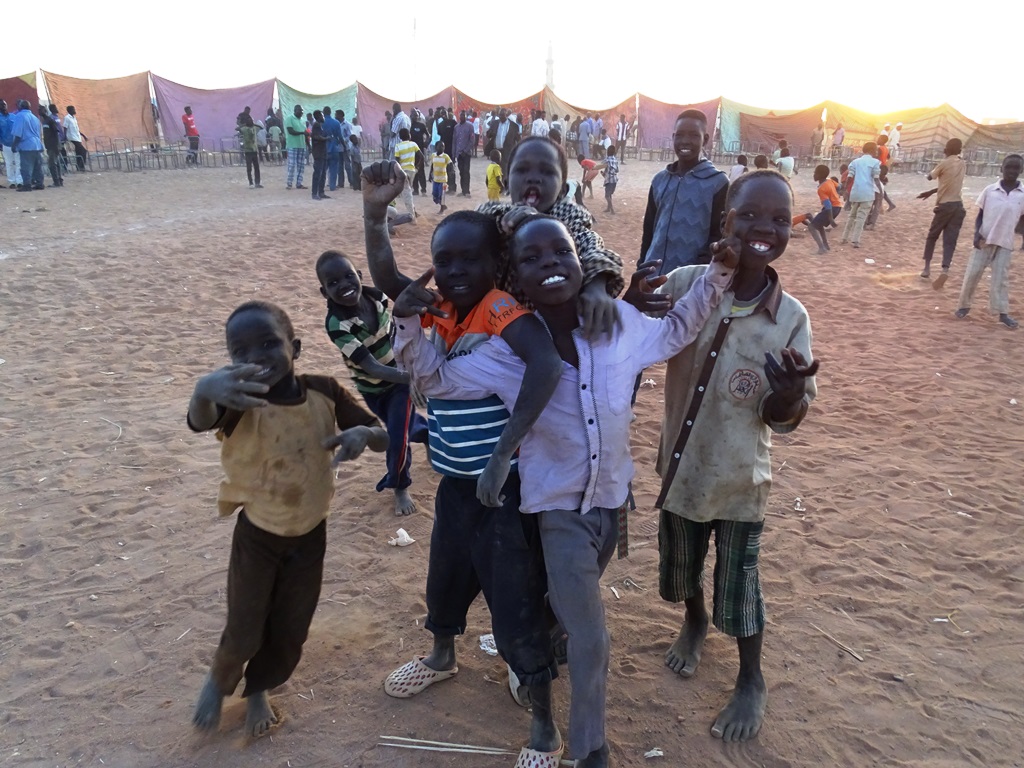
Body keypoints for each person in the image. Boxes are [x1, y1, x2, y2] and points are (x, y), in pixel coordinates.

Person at [391, 215, 736, 768]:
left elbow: (675, 330)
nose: (550, 262)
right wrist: (407, 320)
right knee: (591, 635)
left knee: (563, 610)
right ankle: (588, 749)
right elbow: (436, 381)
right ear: (517, 282)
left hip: (611, 505)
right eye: (532, 258)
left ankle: (541, 643)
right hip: (558, 513)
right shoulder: (507, 355)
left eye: (561, 252)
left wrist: (717, 273)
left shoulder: (619, 323)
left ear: (584, 265)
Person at [359, 162, 565, 762]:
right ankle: (443, 656)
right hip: (455, 485)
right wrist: (374, 216)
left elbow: (547, 368)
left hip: (502, 490)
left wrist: (503, 455)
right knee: (445, 579)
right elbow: (390, 280)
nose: (451, 272)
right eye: (442, 261)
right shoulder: (443, 309)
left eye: (466, 261)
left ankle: (543, 726)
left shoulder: (500, 309)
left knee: (515, 603)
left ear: (494, 265)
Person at [654, 169, 818, 744]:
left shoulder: (790, 319)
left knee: (739, 579)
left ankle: (751, 678)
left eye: (778, 219)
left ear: (790, 229)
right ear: (725, 221)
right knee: (681, 566)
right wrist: (630, 292)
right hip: (681, 470)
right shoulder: (686, 284)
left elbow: (785, 419)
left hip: (740, 478)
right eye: (748, 214)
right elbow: (637, 324)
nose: (763, 228)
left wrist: (790, 396)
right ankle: (694, 621)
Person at [188, 300, 387, 737]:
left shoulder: (324, 391)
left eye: (268, 344)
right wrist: (204, 390)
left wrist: (364, 433)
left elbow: (381, 435)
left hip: (310, 535)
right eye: (240, 352)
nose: (255, 358)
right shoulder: (240, 398)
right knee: (244, 624)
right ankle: (219, 683)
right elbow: (201, 422)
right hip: (258, 536)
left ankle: (259, 688)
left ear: (294, 348)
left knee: (290, 626)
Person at [317, 250, 428, 516]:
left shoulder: (378, 298)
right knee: (403, 429)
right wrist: (416, 378)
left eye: (348, 276)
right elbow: (371, 367)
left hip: (400, 382)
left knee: (395, 437)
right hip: (374, 388)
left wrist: (410, 371)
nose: (343, 285)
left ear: (359, 276)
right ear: (324, 293)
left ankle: (399, 485)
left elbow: (398, 330)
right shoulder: (336, 324)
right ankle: (427, 434)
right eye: (333, 283)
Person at [640, 109, 729, 274]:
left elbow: (719, 234)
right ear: (673, 138)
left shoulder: (717, 183)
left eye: (694, 135)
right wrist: (642, 266)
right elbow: (649, 230)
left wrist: (698, 268)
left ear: (705, 140)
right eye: (679, 135)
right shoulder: (659, 180)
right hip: (652, 275)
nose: (685, 141)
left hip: (690, 279)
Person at [954, 154, 1024, 329]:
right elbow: (980, 215)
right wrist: (977, 234)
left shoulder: (1022, 194)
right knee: (972, 274)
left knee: (1001, 279)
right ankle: (964, 306)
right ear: (1001, 168)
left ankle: (1002, 313)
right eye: (1008, 167)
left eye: (1016, 168)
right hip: (985, 239)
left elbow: (1022, 219)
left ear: (1021, 170)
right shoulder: (990, 190)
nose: (1012, 171)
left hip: (1005, 242)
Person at [918, 138, 967, 285]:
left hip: (945, 206)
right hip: (958, 206)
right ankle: (945, 270)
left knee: (932, 236)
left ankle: (926, 268)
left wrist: (932, 187)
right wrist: (932, 192)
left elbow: (930, 177)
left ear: (946, 149)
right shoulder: (963, 163)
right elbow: (949, 183)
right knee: (950, 240)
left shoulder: (944, 163)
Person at [840, 142, 880, 248]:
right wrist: (880, 191)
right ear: (872, 151)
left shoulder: (855, 162)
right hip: (867, 193)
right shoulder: (875, 162)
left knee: (852, 215)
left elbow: (850, 177)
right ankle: (855, 240)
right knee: (861, 217)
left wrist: (845, 190)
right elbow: (876, 178)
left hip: (855, 192)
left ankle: (844, 237)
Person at [10, 100, 44, 192]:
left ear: (20, 107)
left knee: (26, 166)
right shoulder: (35, 117)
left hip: (26, 145)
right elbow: (39, 133)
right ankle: (40, 183)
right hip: (37, 144)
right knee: (37, 166)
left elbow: (18, 133)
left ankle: (27, 185)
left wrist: (14, 145)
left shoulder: (20, 116)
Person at [808, 164, 842, 253]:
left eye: (815, 173)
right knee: (819, 225)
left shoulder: (821, 188)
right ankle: (825, 245)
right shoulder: (830, 180)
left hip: (831, 208)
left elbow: (828, 205)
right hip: (838, 206)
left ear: (820, 175)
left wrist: (831, 220)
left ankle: (821, 248)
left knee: (811, 226)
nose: (814, 175)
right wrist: (836, 195)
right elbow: (839, 187)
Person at [393, 127, 420, 217]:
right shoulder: (413, 144)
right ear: (409, 135)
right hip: (412, 171)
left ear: (400, 137)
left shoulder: (398, 146)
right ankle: (414, 211)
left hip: (403, 171)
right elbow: (421, 156)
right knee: (408, 190)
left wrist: (399, 173)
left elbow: (397, 162)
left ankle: (412, 215)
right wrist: (417, 168)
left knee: (406, 192)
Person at [0, 99, 23, 188]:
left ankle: (19, 181)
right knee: (9, 163)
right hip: (6, 144)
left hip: (16, 143)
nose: (4, 106)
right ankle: (11, 182)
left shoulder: (13, 116)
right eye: (2, 105)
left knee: (18, 162)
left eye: (5, 104)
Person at [38, 106, 63, 188]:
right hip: (50, 145)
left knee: (52, 164)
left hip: (54, 145)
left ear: (45, 111)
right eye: (39, 110)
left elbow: (56, 132)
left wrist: (56, 145)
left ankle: (56, 182)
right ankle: (59, 180)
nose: (39, 111)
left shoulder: (50, 120)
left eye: (41, 110)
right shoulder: (44, 121)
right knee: (56, 163)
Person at [284, 105, 307, 190]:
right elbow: (291, 131)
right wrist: (302, 133)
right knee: (292, 164)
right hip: (292, 145)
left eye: (302, 111)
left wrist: (308, 145)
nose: (301, 112)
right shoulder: (289, 118)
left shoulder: (303, 120)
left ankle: (299, 183)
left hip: (302, 145)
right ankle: (289, 183)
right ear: (295, 110)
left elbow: (305, 133)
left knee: (301, 165)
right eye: (300, 110)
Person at [453, 110, 475, 196]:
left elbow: (472, 140)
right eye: (461, 116)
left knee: (466, 171)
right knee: (461, 172)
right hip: (459, 154)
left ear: (466, 116)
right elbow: (454, 141)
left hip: (466, 154)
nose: (462, 117)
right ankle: (463, 190)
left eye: (463, 116)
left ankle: (467, 191)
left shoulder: (470, 126)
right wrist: (454, 154)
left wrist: (465, 151)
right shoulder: (456, 127)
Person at [309, 110, 329, 200]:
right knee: (318, 173)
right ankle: (315, 193)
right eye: (322, 116)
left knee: (323, 173)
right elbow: (316, 137)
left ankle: (321, 192)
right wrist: (326, 138)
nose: (323, 117)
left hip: (322, 152)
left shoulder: (320, 125)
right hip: (318, 152)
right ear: (318, 116)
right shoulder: (316, 125)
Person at [322, 107, 343, 192]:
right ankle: (332, 186)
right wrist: (344, 145)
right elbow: (340, 136)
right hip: (334, 147)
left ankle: (321, 185)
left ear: (323, 113)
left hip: (324, 147)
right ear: (330, 112)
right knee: (333, 168)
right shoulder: (336, 122)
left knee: (323, 169)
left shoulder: (320, 123)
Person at [410, 110, 430, 195]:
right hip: (411, 152)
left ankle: (424, 189)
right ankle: (415, 190)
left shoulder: (421, 126)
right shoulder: (409, 126)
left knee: (421, 170)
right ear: (411, 116)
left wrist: (426, 143)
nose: (415, 117)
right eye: (413, 115)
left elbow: (429, 135)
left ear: (418, 117)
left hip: (420, 152)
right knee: (413, 170)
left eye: (416, 115)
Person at [62, 106, 88, 171]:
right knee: (83, 151)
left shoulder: (74, 118)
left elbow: (76, 129)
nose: (74, 110)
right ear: (69, 110)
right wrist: (64, 137)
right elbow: (65, 127)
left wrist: (83, 135)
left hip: (77, 137)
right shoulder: (67, 118)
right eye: (73, 109)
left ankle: (79, 167)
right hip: (72, 137)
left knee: (79, 152)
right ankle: (81, 166)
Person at [239, 115, 262, 189]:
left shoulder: (254, 128)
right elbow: (237, 128)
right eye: (249, 121)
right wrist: (244, 125)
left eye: (251, 120)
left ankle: (257, 182)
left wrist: (253, 124)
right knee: (249, 168)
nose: (250, 122)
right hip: (248, 150)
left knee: (257, 168)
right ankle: (251, 182)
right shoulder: (244, 129)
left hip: (254, 150)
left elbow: (261, 127)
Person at [430, 141, 452, 213]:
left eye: (443, 146)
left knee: (442, 196)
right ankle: (443, 205)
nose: (442, 148)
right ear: (436, 147)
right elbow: (432, 166)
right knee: (435, 196)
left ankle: (442, 209)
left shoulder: (446, 156)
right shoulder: (433, 155)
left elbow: (450, 164)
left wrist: (451, 173)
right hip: (435, 179)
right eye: (440, 146)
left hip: (443, 179)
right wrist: (430, 175)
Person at [603, 145, 620, 215]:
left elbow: (602, 165)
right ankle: (608, 208)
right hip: (615, 179)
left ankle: (612, 209)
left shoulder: (606, 159)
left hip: (609, 179)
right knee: (609, 194)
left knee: (607, 195)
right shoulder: (615, 160)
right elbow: (617, 170)